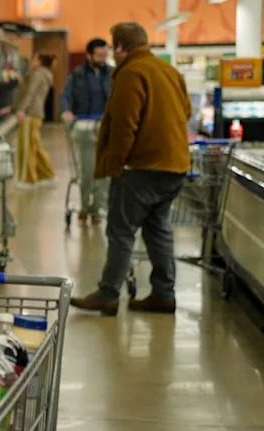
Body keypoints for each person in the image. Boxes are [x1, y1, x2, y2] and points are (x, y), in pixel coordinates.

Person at [71, 22, 191, 315]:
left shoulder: (130, 74)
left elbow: (125, 126)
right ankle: (163, 293)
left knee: (121, 230)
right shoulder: (169, 71)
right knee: (157, 229)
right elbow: (186, 111)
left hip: (142, 167)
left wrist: (114, 166)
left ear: (121, 48)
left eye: (114, 47)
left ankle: (108, 294)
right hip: (175, 165)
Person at [61, 38, 114, 223]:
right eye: (99, 55)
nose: (102, 58)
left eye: (105, 54)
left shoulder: (112, 75)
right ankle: (84, 205)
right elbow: (66, 95)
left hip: (106, 129)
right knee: (87, 171)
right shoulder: (78, 75)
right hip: (83, 128)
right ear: (89, 55)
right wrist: (66, 111)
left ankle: (97, 208)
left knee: (104, 173)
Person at [15, 53, 56, 187]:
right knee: (35, 145)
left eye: (33, 58)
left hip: (30, 113)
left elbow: (30, 93)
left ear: (40, 61)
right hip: (37, 113)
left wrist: (21, 109)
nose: (31, 61)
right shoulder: (45, 74)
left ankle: (28, 179)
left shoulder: (37, 74)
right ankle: (47, 174)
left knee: (27, 147)